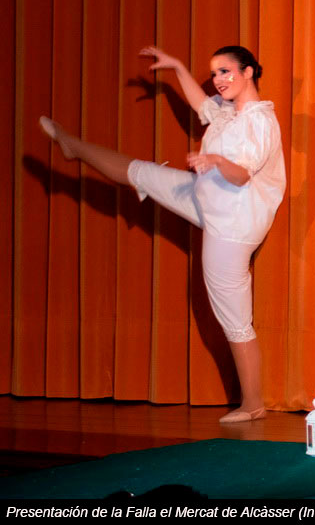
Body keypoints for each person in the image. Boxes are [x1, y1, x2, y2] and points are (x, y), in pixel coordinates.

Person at [40, 45, 286, 423]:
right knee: (142, 173)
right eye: (214, 73)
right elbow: (201, 104)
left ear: (249, 72)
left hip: (232, 225)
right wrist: (177, 68)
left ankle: (253, 404)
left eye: (225, 71)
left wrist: (215, 160)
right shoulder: (227, 112)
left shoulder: (260, 121)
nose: (218, 80)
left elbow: (241, 175)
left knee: (235, 319)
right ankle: (73, 147)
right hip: (208, 197)